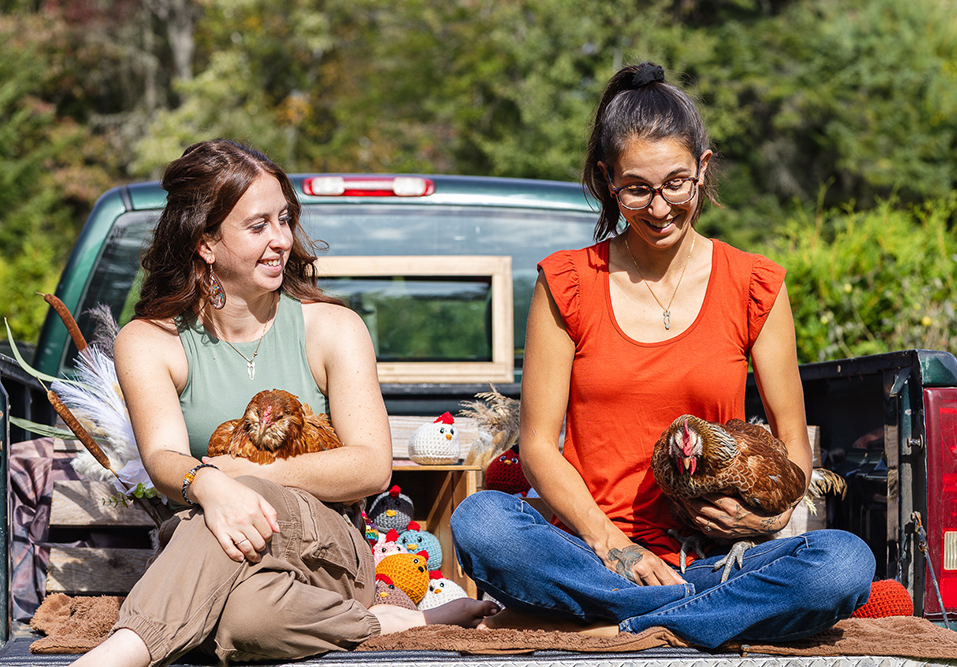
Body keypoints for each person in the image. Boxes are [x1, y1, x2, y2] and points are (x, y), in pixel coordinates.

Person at [450, 62, 874, 648]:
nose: (659, 208)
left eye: (676, 183)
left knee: (844, 563)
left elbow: (792, 441)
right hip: (594, 555)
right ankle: (692, 617)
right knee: (481, 523)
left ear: (703, 168)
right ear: (608, 180)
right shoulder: (567, 281)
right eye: (637, 189)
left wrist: (769, 519)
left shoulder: (755, 285)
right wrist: (610, 543)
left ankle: (619, 625)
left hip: (717, 560)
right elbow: (537, 447)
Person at [72, 139, 497, 667]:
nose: (282, 240)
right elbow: (163, 458)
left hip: (329, 552)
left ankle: (120, 653)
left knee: (240, 486)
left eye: (285, 219)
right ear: (206, 243)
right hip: (223, 547)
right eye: (258, 226)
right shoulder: (150, 341)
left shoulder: (331, 329)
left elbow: (370, 466)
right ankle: (384, 620)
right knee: (247, 623)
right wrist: (209, 483)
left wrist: (242, 479)